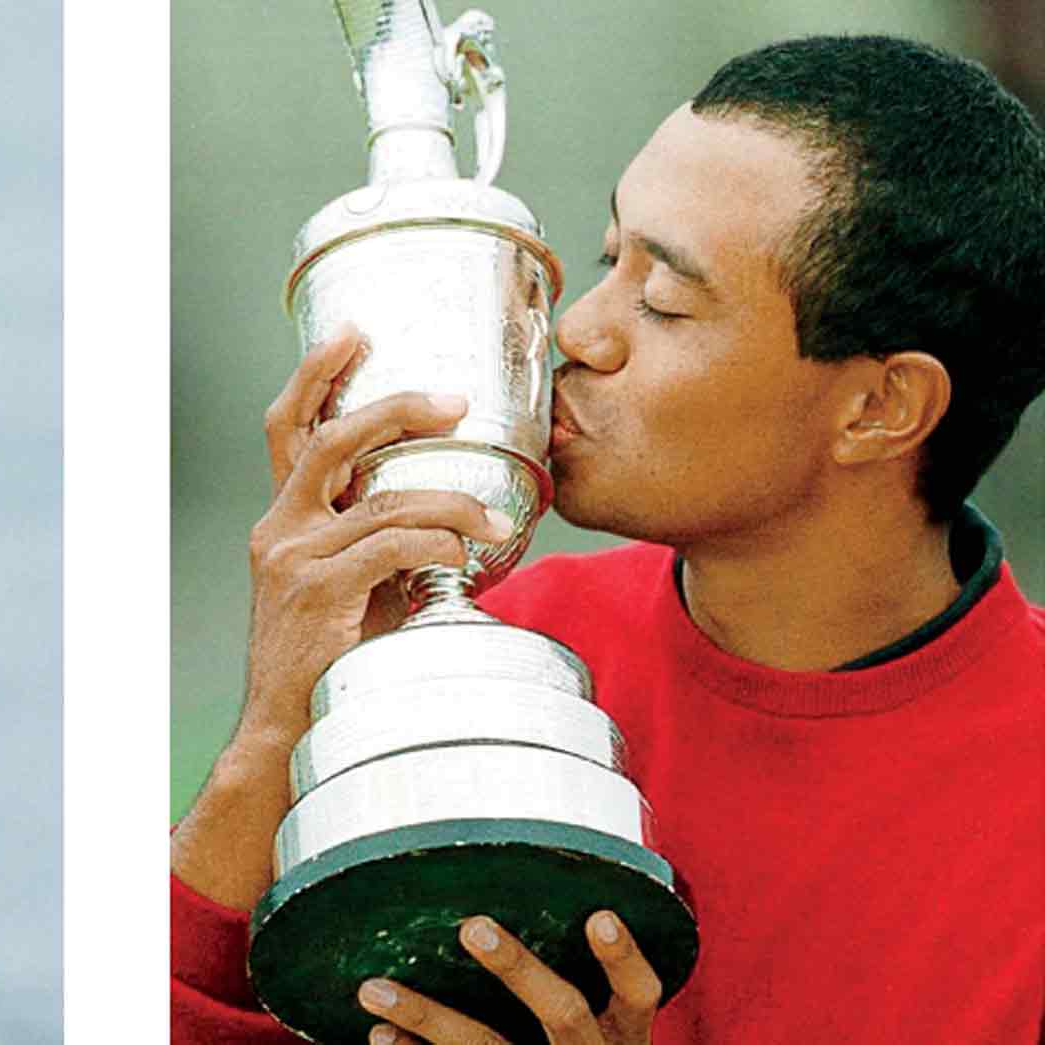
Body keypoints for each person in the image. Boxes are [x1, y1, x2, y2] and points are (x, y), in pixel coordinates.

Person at [171, 35, 1045, 1044]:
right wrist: (282, 723)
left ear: (879, 406)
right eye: (604, 258)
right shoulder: (499, 658)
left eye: (664, 302)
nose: (576, 331)